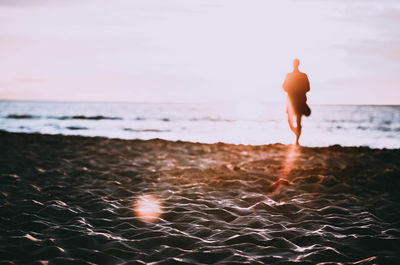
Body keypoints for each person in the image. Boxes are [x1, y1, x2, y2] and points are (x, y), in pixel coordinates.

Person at [283, 58, 311, 145]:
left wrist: (298, 90)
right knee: (290, 121)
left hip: (299, 101)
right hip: (291, 101)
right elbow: (284, 87)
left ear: (297, 64)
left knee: (298, 121)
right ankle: (296, 134)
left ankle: (297, 141)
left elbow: (308, 88)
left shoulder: (303, 75)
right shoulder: (289, 75)